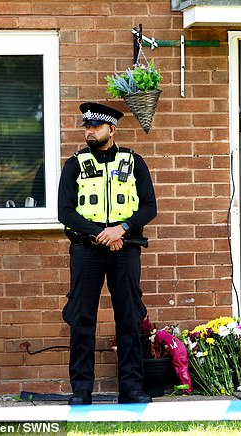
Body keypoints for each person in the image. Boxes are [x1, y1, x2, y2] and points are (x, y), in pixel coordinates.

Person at [58, 102, 157, 405]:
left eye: (95, 127)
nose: (89, 131)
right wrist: (102, 234)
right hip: (87, 251)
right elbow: (64, 211)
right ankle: (81, 390)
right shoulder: (75, 164)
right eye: (86, 127)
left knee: (128, 318)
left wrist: (122, 229)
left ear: (112, 130)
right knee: (82, 319)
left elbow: (149, 207)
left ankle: (131, 389)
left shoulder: (134, 162)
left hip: (125, 249)